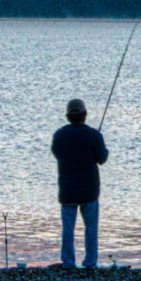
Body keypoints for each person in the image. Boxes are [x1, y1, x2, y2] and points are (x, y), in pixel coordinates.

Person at [51, 98, 109, 269]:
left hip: (67, 190)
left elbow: (56, 153)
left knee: (67, 229)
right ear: (85, 115)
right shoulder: (94, 135)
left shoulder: (59, 135)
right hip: (89, 191)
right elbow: (103, 158)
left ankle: (68, 262)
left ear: (68, 117)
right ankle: (90, 262)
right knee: (91, 229)